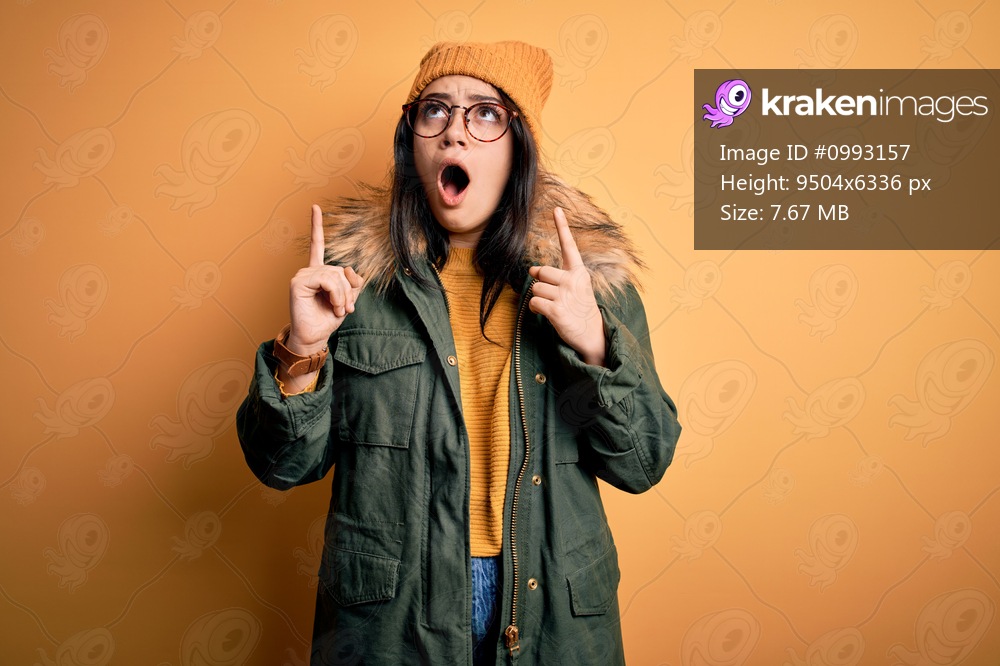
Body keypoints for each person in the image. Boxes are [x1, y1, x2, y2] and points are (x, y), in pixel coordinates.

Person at [237, 40, 681, 666]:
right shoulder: (351, 284)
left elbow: (643, 463)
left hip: (550, 610)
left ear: (519, 145)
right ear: (412, 138)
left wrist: (594, 343)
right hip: (391, 619)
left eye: (486, 114)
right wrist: (302, 349)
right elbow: (279, 466)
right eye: (435, 111)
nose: (456, 135)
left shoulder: (590, 285)